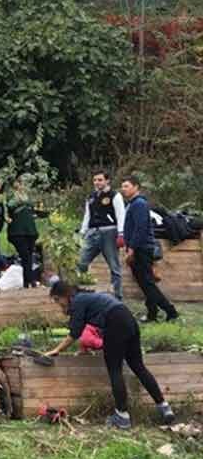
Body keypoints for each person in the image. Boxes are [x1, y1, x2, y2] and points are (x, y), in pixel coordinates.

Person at [45, 281, 175, 429]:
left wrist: (57, 350)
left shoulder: (78, 302)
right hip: (128, 320)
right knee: (138, 367)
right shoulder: (86, 298)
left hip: (115, 323)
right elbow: (89, 328)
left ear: (65, 295)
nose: (57, 304)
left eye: (57, 300)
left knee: (115, 370)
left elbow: (75, 332)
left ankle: (122, 416)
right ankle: (164, 407)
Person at [121, 176, 179, 323]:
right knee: (146, 284)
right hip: (138, 248)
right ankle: (153, 313)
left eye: (127, 186)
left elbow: (140, 229)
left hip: (141, 249)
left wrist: (132, 249)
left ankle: (170, 311)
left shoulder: (139, 204)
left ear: (136, 187)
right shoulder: (133, 204)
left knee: (147, 284)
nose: (123, 189)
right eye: (122, 186)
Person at [76, 170, 126, 300]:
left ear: (107, 180)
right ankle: (81, 293)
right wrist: (82, 233)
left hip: (109, 231)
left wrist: (121, 233)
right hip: (92, 232)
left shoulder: (114, 195)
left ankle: (117, 296)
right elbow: (87, 216)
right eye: (95, 180)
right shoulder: (91, 197)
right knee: (81, 262)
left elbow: (121, 214)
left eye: (100, 180)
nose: (97, 182)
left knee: (114, 266)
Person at [6, 177, 47, 289]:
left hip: (30, 231)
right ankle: (30, 281)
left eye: (23, 183)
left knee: (28, 256)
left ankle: (28, 282)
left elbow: (32, 211)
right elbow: (9, 207)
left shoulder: (28, 197)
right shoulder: (11, 196)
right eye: (19, 183)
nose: (22, 185)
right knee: (25, 255)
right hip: (17, 231)